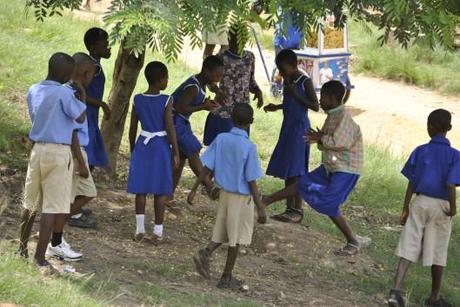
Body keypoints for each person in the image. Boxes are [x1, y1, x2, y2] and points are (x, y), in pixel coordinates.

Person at [262, 80, 363, 256]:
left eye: (322, 97)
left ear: (332, 99)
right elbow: (327, 141)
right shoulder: (333, 115)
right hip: (332, 165)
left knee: (330, 203)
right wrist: (319, 138)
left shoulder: (344, 118)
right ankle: (266, 200)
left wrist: (320, 138)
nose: (320, 100)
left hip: (346, 168)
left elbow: (339, 142)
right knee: (302, 183)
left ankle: (352, 241)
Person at [17, 53, 87, 267]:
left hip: (38, 149)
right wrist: (82, 95)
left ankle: (21, 250)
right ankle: (40, 258)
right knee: (51, 206)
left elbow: (35, 116)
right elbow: (80, 118)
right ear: (68, 75)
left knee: (30, 203)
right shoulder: (64, 93)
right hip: (59, 153)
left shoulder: (34, 89)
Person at [188, 103, 267, 289]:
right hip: (241, 198)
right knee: (236, 238)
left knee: (224, 229)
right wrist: (260, 207)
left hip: (224, 194)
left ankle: (205, 252)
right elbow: (251, 180)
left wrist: (194, 189)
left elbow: (207, 166)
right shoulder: (249, 147)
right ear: (251, 122)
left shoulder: (221, 139)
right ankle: (226, 277)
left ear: (231, 119)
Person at [388, 109, 459, 307]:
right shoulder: (455, 156)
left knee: (408, 245)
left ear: (429, 126)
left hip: (419, 203)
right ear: (450, 129)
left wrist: (405, 208)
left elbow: (411, 181)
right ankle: (434, 298)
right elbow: (451, 185)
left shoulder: (421, 151)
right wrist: (453, 209)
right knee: (438, 251)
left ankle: (396, 292)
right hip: (441, 207)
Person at [45, 53, 98, 262]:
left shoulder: (75, 91)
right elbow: (73, 131)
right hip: (73, 154)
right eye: (92, 74)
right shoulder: (70, 93)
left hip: (77, 152)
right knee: (64, 201)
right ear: (85, 73)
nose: (93, 77)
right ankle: (55, 241)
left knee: (88, 193)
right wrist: (81, 162)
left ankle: (54, 232)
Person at [263, 49, 319, 223]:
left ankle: (297, 209)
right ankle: (289, 208)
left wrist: (295, 94)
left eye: (283, 69)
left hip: (299, 129)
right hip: (287, 127)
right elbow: (289, 103)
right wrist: (277, 107)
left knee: (297, 171)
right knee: (289, 169)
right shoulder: (288, 80)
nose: (281, 73)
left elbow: (315, 106)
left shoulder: (304, 81)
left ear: (293, 65)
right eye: (279, 69)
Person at [127, 61, 180, 243]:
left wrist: (134, 147)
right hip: (160, 146)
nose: (167, 81)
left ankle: (139, 229)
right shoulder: (166, 99)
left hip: (143, 144)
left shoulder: (137, 99)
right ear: (159, 81)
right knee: (160, 190)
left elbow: (133, 127)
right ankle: (157, 232)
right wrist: (175, 151)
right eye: (166, 78)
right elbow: (169, 127)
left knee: (140, 190)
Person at [68, 27, 111, 227]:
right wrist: (101, 104)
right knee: (85, 159)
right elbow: (80, 89)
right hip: (86, 114)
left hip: (90, 115)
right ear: (94, 47)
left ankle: (76, 201)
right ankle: (72, 208)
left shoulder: (95, 65)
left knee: (90, 159)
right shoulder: (90, 67)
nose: (109, 47)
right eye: (105, 44)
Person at [169, 56, 223, 210]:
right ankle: (209, 185)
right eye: (216, 76)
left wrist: (204, 104)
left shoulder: (200, 84)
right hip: (175, 121)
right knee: (193, 149)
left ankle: (168, 196)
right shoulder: (193, 87)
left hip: (180, 121)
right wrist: (202, 107)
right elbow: (180, 107)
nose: (217, 80)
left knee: (182, 158)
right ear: (206, 71)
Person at [203, 24, 264, 146]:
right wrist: (216, 91)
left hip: (242, 111)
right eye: (233, 38)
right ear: (228, 38)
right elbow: (209, 79)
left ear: (245, 39)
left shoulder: (250, 57)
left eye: (240, 39)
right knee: (220, 146)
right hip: (224, 109)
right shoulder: (222, 57)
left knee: (238, 147)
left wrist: (258, 91)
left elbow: (251, 81)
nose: (236, 42)